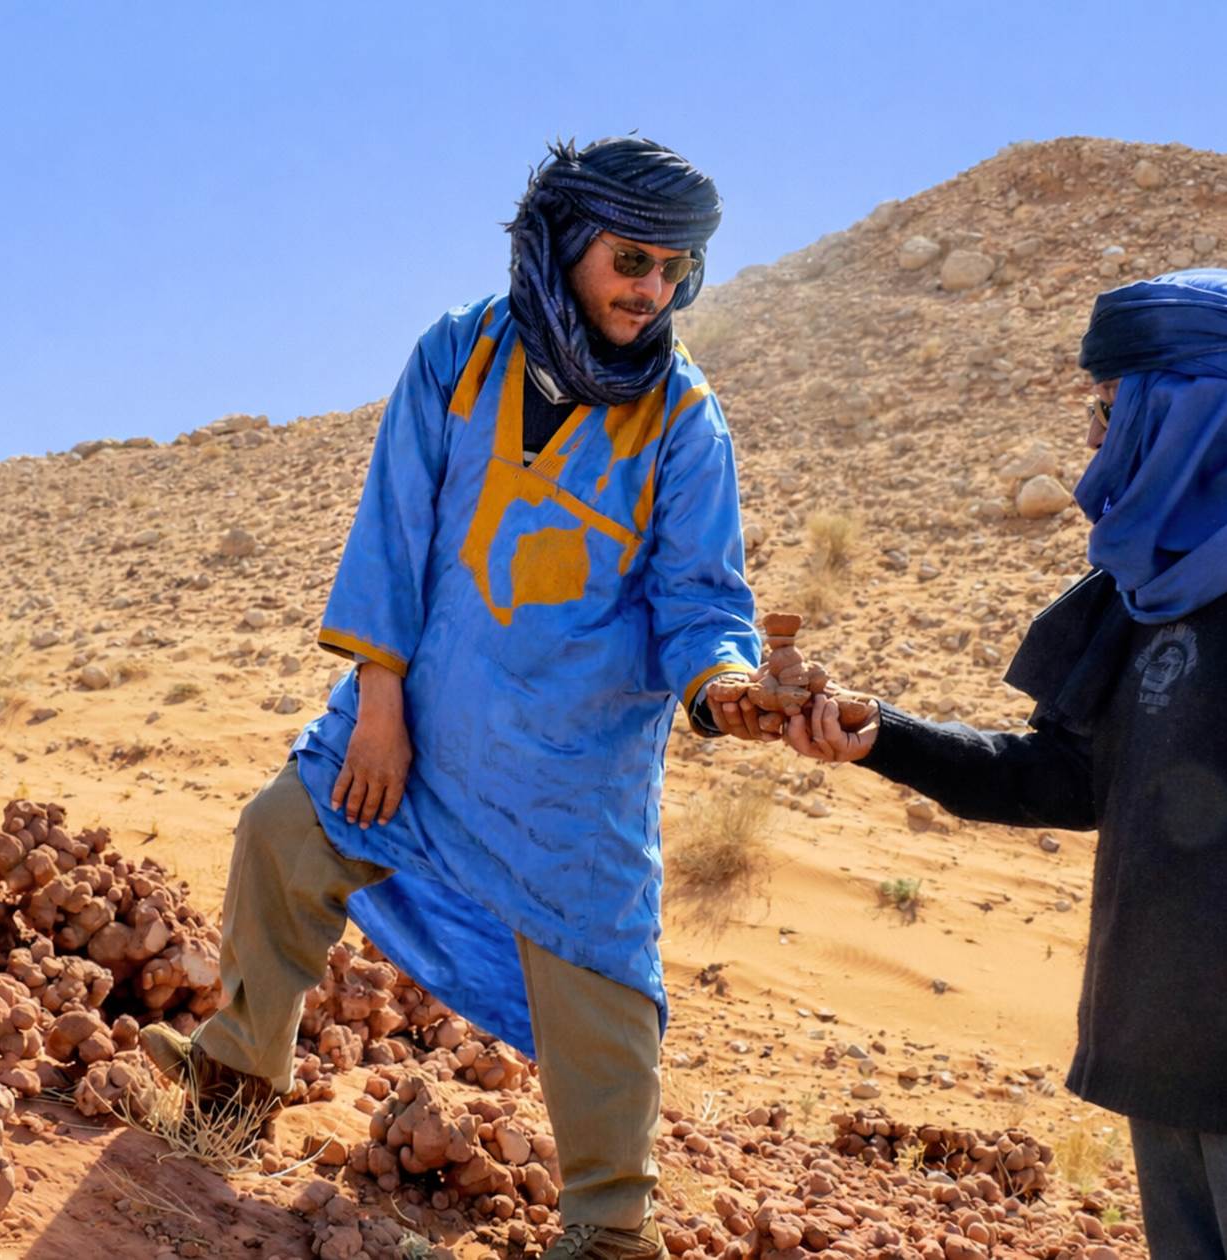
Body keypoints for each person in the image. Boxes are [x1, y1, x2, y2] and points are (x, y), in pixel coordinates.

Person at [142, 137, 761, 1260]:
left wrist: (726, 684)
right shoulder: (459, 357)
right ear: (566, 244)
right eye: (631, 259)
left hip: (571, 769)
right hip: (415, 725)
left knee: (604, 993)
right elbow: (394, 535)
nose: (652, 291)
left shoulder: (681, 416)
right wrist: (380, 706)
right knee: (285, 833)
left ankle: (610, 1229)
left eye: (676, 269)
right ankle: (233, 1077)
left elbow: (701, 596)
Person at [782, 269, 1227, 1258]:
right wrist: (877, 730)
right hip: (1162, 1052)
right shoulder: (1137, 593)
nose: (1091, 443)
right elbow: (1053, 779)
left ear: (1193, 416)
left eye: (1114, 411)